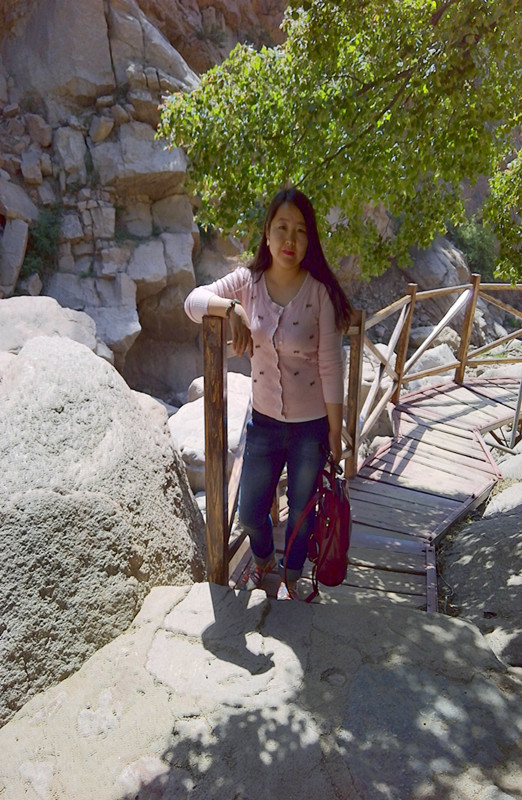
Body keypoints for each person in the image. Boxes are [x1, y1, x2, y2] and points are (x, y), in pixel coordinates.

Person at [184, 187, 352, 600]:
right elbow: (192, 301)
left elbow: (331, 366)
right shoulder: (248, 283)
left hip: (311, 428)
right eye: (282, 228)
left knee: (301, 513)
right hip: (263, 423)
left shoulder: (320, 293)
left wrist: (335, 430)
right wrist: (232, 309)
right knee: (249, 512)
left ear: (310, 239)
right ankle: (263, 560)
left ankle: (292, 579)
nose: (290, 239)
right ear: (267, 232)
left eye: (300, 231)